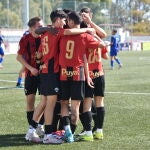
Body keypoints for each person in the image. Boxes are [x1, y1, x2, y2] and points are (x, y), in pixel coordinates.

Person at [28, 9, 95, 144]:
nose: (65, 23)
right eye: (64, 20)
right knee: (50, 104)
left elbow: (38, 49)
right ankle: (47, 135)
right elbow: (69, 32)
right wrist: (86, 30)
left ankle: (32, 131)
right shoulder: (55, 31)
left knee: (44, 102)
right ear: (58, 20)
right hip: (52, 72)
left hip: (45, 71)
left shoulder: (47, 32)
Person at [59, 10, 106, 143]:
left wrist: (88, 28)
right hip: (98, 72)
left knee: (84, 105)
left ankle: (88, 131)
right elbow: (103, 43)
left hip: (85, 74)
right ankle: (99, 131)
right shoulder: (90, 34)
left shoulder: (75, 34)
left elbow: (84, 58)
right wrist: (91, 29)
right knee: (98, 103)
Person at [78, 7, 108, 141]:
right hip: (92, 72)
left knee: (92, 103)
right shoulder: (84, 31)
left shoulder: (85, 31)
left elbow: (104, 35)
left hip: (92, 72)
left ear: (91, 15)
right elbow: (102, 38)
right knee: (92, 102)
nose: (85, 17)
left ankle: (94, 132)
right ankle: (92, 131)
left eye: (86, 15)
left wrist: (90, 23)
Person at [16, 17, 44, 141]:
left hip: (45, 74)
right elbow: (19, 57)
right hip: (31, 74)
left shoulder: (45, 37)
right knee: (30, 100)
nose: (42, 28)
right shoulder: (25, 39)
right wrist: (30, 68)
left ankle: (40, 125)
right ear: (32, 27)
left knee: (45, 100)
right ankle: (32, 127)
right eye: (39, 26)